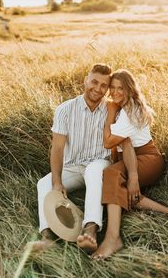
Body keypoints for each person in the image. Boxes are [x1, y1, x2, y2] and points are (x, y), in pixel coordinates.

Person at [92, 69, 168, 259]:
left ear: (130, 89)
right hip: (131, 158)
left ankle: (113, 238)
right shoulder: (123, 106)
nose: (116, 92)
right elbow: (125, 143)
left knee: (111, 175)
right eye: (112, 87)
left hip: (148, 159)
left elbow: (108, 142)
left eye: (121, 88)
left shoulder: (129, 111)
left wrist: (134, 176)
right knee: (117, 189)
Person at [34, 63, 112, 253]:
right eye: (94, 82)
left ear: (107, 89)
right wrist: (57, 182)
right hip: (74, 166)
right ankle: (48, 236)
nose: (98, 88)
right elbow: (57, 149)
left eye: (104, 85)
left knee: (93, 170)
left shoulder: (111, 110)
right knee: (43, 184)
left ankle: (91, 229)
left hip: (100, 164)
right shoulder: (65, 109)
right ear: (86, 81)